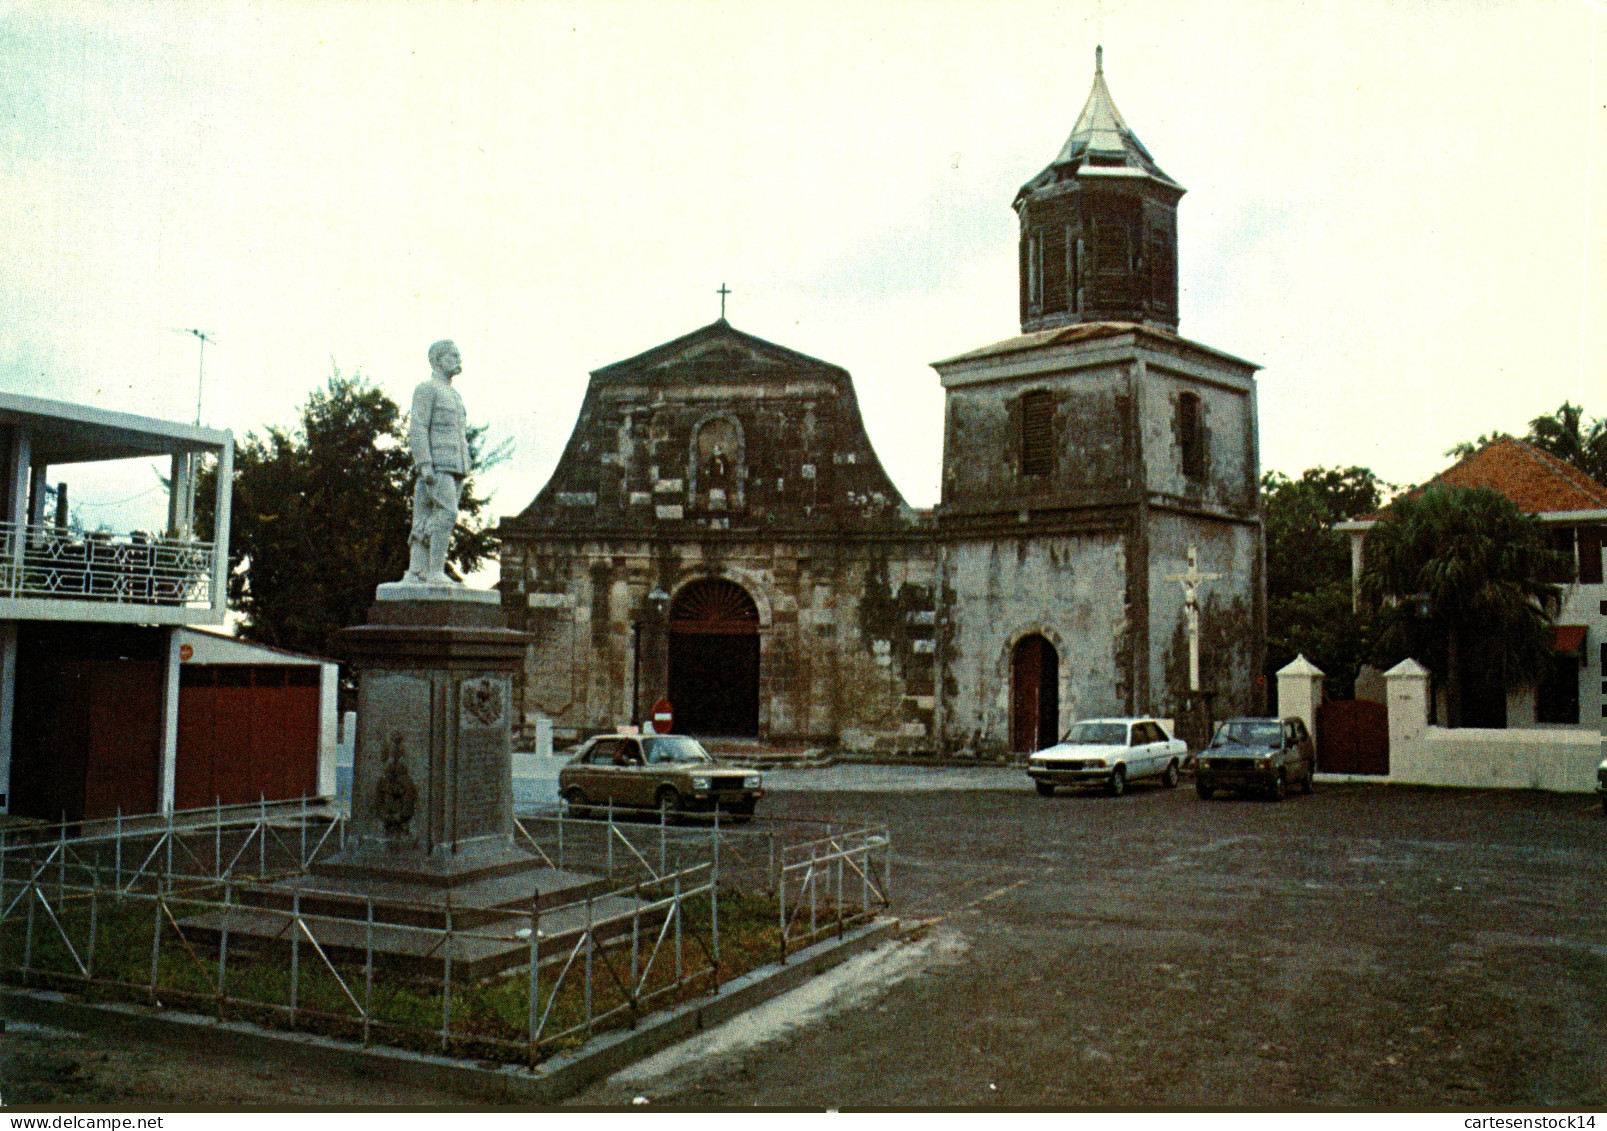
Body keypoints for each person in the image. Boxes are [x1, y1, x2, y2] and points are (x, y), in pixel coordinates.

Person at [402, 340, 471, 585]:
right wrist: (424, 463)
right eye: (453, 355)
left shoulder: (455, 394)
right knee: (447, 513)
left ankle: (417, 570)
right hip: (437, 465)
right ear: (438, 360)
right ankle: (434, 572)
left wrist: (465, 466)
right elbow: (418, 426)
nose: (458, 358)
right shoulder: (426, 389)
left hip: (456, 466)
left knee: (425, 516)